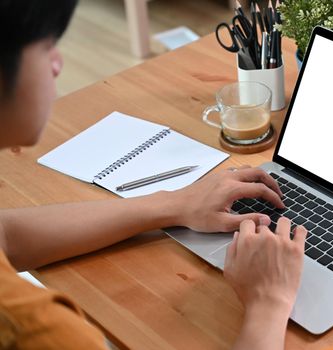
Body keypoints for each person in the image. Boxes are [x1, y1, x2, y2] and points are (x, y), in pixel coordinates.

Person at [0, 1, 306, 349]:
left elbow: (7, 234)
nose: (59, 63)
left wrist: (176, 204)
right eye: (46, 46)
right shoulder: (40, 331)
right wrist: (269, 303)